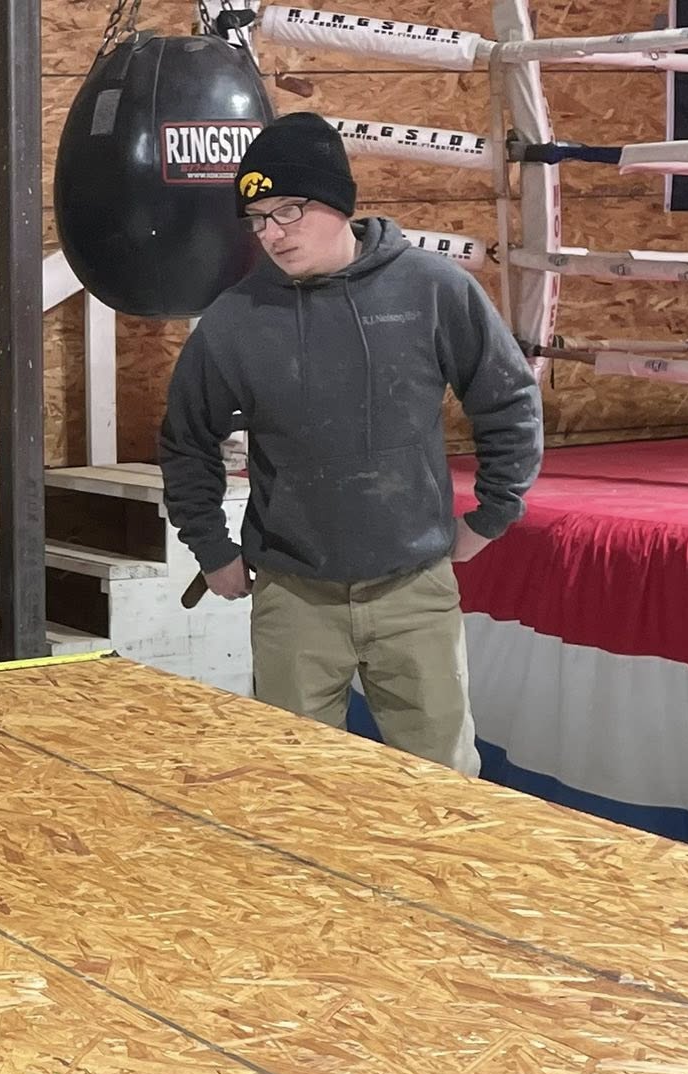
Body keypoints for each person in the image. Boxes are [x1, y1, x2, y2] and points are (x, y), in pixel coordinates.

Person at [160, 113, 542, 775]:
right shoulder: (236, 320)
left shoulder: (432, 289)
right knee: (296, 787)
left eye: (288, 211)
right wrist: (211, 546)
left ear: (338, 202)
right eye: (257, 219)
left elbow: (507, 399)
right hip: (293, 597)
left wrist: (494, 512)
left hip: (413, 590)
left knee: (444, 789)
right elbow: (186, 439)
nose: (271, 233)